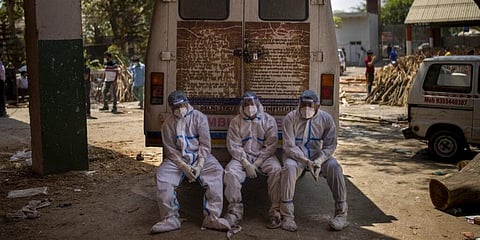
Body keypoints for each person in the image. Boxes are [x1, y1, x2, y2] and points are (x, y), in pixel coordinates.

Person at [151, 90, 230, 234]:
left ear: (187, 103)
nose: (180, 109)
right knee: (162, 176)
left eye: (182, 104)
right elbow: (170, 149)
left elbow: (205, 145)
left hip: (200, 157)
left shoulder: (199, 118)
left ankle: (212, 217)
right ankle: (170, 218)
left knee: (216, 171)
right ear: (171, 108)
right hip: (177, 161)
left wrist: (200, 164)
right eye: (176, 106)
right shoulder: (168, 124)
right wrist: (183, 165)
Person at [279, 90, 348, 232]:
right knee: (289, 168)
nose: (306, 109)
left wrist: (320, 160)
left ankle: (341, 214)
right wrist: (305, 161)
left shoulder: (326, 119)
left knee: (334, 167)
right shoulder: (290, 118)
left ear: (318, 106)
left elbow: (330, 145)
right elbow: (289, 146)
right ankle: (287, 215)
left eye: (310, 105)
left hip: (318, 156)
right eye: (303, 105)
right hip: (297, 157)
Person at [223, 91, 282, 229]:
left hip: (264, 157)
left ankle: (276, 211)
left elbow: (271, 145)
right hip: (242, 158)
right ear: (242, 106)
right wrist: (245, 163)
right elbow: (234, 146)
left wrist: (256, 164)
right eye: (247, 104)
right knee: (230, 172)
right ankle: (234, 211)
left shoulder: (268, 120)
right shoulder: (236, 122)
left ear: (258, 104)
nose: (250, 107)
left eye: (253, 104)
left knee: (277, 170)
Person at [0, 52, 7, 117]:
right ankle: (1, 112)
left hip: (2, 81)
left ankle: (2, 111)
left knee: (2, 96)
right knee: (1, 97)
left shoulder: (1, 63)